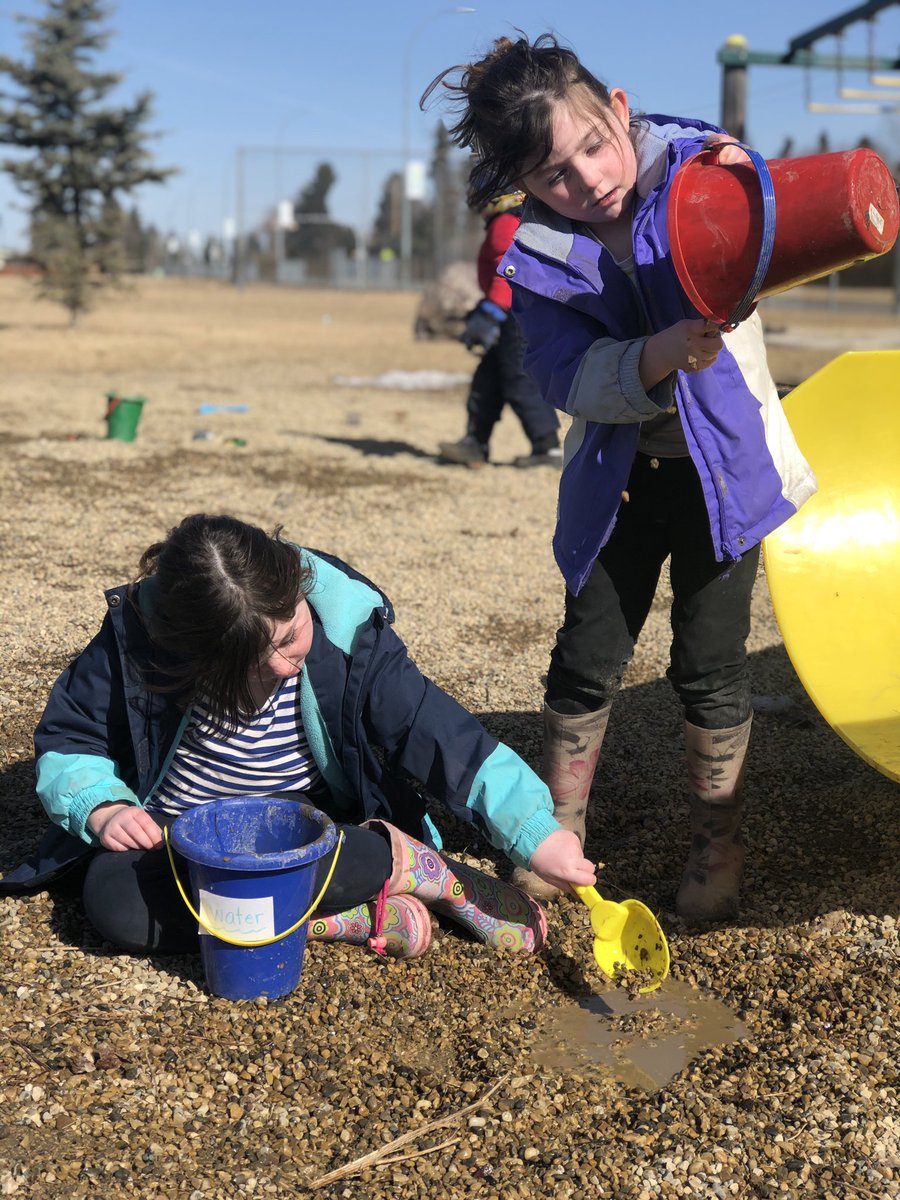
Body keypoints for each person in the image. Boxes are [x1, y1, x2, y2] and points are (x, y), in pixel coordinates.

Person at [428, 34, 817, 922]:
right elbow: (565, 379)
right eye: (554, 174)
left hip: (724, 478)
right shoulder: (537, 257)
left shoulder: (699, 177)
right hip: (623, 480)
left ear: (620, 110)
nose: (588, 179)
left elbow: (769, 202)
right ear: (524, 184)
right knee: (585, 658)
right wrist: (650, 357)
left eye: (594, 146)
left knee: (710, 666)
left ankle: (719, 845)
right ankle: (555, 831)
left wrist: (741, 176)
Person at [1, 514, 596, 961]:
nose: (293, 656)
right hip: (178, 832)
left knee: (322, 853)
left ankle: (411, 865)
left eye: (294, 630)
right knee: (117, 905)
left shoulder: (343, 635)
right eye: (269, 656)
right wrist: (101, 806)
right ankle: (350, 917)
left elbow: (437, 731)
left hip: (297, 822)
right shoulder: (135, 646)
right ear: (201, 660)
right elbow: (72, 737)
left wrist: (535, 830)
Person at [439, 188, 562, 469]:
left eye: (480, 201)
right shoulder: (512, 221)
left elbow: (510, 273)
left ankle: (547, 447)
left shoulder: (504, 224)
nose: (478, 209)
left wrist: (491, 312)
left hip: (515, 319)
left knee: (521, 381)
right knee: (488, 380)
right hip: (512, 316)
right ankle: (475, 442)